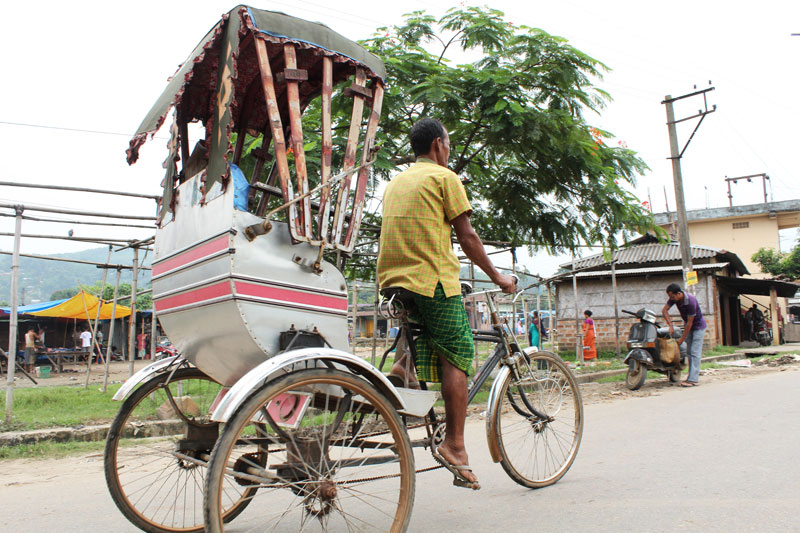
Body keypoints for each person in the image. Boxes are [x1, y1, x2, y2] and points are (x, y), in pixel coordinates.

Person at [377, 117, 516, 490]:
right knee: (458, 352)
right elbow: (467, 236)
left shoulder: (396, 182)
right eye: (449, 144)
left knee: (426, 333)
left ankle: (403, 367)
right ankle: (454, 445)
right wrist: (498, 277)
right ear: (438, 144)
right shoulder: (444, 177)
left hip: (393, 280)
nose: (449, 150)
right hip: (432, 279)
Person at [662, 283, 707, 387]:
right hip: (688, 326)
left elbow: (690, 323)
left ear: (679, 294)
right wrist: (670, 325)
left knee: (695, 352)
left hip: (698, 327)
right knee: (689, 352)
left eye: (672, 296)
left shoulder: (691, 301)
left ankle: (693, 379)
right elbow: (664, 310)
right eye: (670, 297)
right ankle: (691, 377)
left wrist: (682, 339)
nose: (671, 299)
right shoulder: (674, 299)